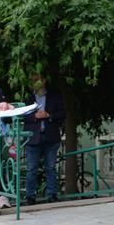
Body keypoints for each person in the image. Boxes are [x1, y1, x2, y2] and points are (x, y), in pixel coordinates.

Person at [23, 75, 65, 205]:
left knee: (51, 167)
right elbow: (21, 115)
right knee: (31, 169)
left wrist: (49, 115)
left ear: (44, 81)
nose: (35, 82)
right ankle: (30, 196)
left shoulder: (54, 97)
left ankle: (52, 195)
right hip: (32, 138)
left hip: (51, 137)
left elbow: (62, 114)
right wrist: (34, 116)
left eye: (38, 79)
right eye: (33, 80)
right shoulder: (27, 98)